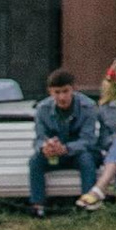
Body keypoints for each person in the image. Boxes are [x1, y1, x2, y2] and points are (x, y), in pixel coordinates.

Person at [28, 69, 104, 217]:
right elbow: (39, 138)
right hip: (55, 153)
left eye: (65, 91)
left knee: (86, 160)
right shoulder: (42, 109)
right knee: (35, 161)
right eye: (57, 92)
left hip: (79, 153)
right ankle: (38, 206)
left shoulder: (87, 106)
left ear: (73, 89)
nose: (62, 97)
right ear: (50, 92)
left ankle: (88, 203)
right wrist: (45, 147)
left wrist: (67, 148)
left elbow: (88, 140)